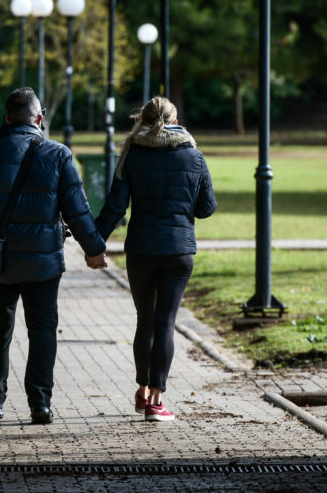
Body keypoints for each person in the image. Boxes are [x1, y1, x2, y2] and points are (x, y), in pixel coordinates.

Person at [0, 87, 108, 424]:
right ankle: (40, 404)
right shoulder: (59, 154)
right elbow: (77, 212)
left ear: (7, 119)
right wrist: (94, 250)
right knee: (43, 331)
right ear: (39, 118)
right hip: (44, 262)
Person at [93, 97, 216, 422]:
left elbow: (115, 207)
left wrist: (94, 243)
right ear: (175, 119)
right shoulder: (193, 155)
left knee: (145, 319)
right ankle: (157, 401)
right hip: (178, 251)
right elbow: (206, 208)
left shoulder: (133, 152)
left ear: (143, 119)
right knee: (165, 322)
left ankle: (143, 391)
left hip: (141, 249)